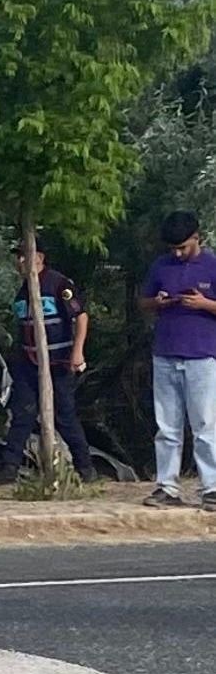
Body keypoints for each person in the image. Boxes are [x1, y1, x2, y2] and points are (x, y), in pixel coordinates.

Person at [0, 241, 96, 484]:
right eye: (18, 257)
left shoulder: (58, 284)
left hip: (58, 363)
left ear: (40, 256)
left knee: (64, 416)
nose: (20, 262)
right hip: (29, 363)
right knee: (22, 415)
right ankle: (9, 469)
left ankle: (86, 468)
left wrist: (77, 353)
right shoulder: (23, 290)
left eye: (25, 256)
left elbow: (81, 316)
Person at [140, 210, 216, 511]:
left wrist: (204, 304)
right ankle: (166, 486)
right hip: (166, 353)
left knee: (205, 424)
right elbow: (143, 302)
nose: (178, 253)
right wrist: (157, 302)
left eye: (183, 247)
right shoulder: (161, 266)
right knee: (167, 426)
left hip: (202, 355)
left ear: (197, 238)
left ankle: (211, 487)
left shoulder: (212, 266)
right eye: (173, 248)